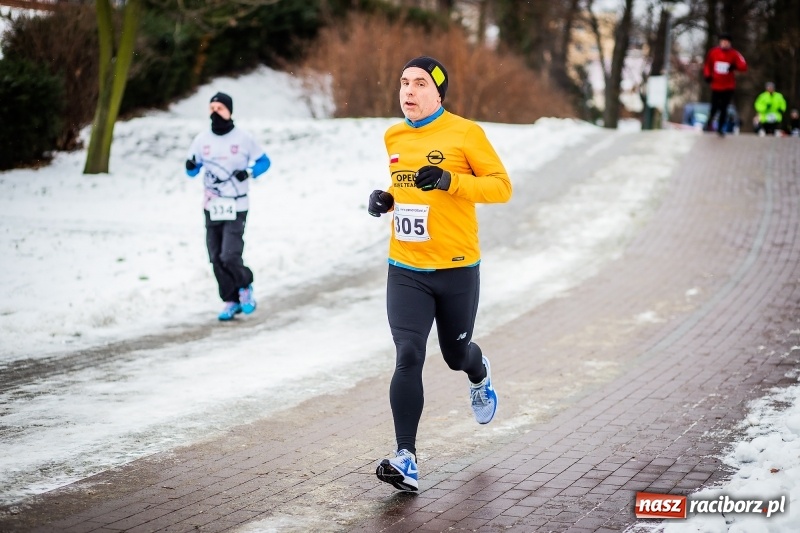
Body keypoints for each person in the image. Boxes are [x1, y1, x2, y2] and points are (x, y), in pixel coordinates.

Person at [367, 56, 512, 491]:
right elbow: (408, 187)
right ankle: (406, 457)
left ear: (438, 93)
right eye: (402, 82)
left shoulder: (466, 133)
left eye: (418, 84)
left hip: (456, 269)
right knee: (408, 354)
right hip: (406, 268)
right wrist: (387, 199)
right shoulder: (393, 134)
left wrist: (451, 180)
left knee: (453, 356)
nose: (407, 91)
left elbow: (500, 186)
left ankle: (478, 372)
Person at [185, 92, 271, 321]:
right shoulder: (201, 140)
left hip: (237, 204)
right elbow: (191, 170)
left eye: (220, 108)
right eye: (212, 108)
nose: (215, 112)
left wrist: (249, 172)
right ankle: (230, 299)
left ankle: (245, 286)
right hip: (211, 205)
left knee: (230, 255)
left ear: (230, 111)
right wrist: (191, 165)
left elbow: (265, 162)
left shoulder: (243, 138)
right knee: (215, 257)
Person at [702, 33, 747, 136]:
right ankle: (709, 123)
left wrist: (734, 66)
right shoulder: (713, 52)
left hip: (728, 86)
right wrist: (707, 76)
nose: (724, 44)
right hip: (716, 85)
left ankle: (720, 128)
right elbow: (707, 65)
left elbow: (743, 66)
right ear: (720, 42)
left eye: (726, 42)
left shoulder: (734, 54)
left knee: (724, 108)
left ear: (730, 43)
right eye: (722, 42)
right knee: (714, 107)